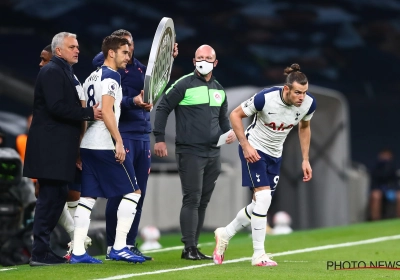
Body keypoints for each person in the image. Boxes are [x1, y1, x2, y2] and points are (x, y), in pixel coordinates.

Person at [212, 63, 316, 266]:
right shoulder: (265, 98)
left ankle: (225, 233)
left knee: (260, 204)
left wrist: (305, 159)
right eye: (297, 92)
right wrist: (245, 145)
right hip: (254, 150)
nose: (301, 97)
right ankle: (258, 255)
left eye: (304, 92)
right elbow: (235, 114)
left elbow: (304, 127)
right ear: (286, 89)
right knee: (263, 198)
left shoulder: (309, 104)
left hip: (275, 154)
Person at [92, 29, 178, 261]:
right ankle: (112, 245)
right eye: (124, 47)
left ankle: (128, 243)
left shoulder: (140, 68)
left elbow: (154, 85)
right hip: (124, 133)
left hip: (142, 135)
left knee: (137, 193)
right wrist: (133, 101)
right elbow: (111, 99)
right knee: (120, 192)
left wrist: (166, 61)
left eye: (130, 46)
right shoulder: (106, 64)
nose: (128, 52)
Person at [23, 32, 102, 266]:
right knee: (49, 199)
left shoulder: (63, 71)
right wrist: (88, 112)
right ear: (59, 51)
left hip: (58, 148)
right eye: (72, 47)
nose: (77, 50)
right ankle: (39, 252)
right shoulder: (51, 71)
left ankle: (43, 250)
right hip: (50, 148)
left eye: (77, 46)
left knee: (56, 196)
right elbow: (56, 107)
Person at [153, 45, 236, 260]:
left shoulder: (219, 89)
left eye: (208, 58)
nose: (203, 61)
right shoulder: (183, 84)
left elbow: (222, 119)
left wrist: (229, 133)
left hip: (213, 153)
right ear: (194, 61)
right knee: (192, 198)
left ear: (215, 62)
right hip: (190, 152)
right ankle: (188, 247)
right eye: (200, 57)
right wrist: (159, 139)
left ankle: (194, 246)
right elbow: (162, 107)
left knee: (203, 201)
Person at [70, 35, 144, 264]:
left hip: (88, 144)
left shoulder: (90, 77)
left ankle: (78, 250)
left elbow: (86, 113)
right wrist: (119, 142)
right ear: (111, 53)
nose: (128, 57)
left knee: (88, 197)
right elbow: (108, 111)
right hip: (104, 144)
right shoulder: (111, 76)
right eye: (124, 52)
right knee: (133, 192)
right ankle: (120, 247)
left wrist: (80, 145)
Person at [369, 149, 400, 220]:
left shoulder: (393, 168)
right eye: (384, 155)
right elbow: (374, 183)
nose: (386, 158)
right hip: (378, 188)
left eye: (387, 156)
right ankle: (375, 220)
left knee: (399, 196)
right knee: (376, 196)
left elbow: (395, 182)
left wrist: (392, 189)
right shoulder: (375, 168)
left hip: (391, 189)